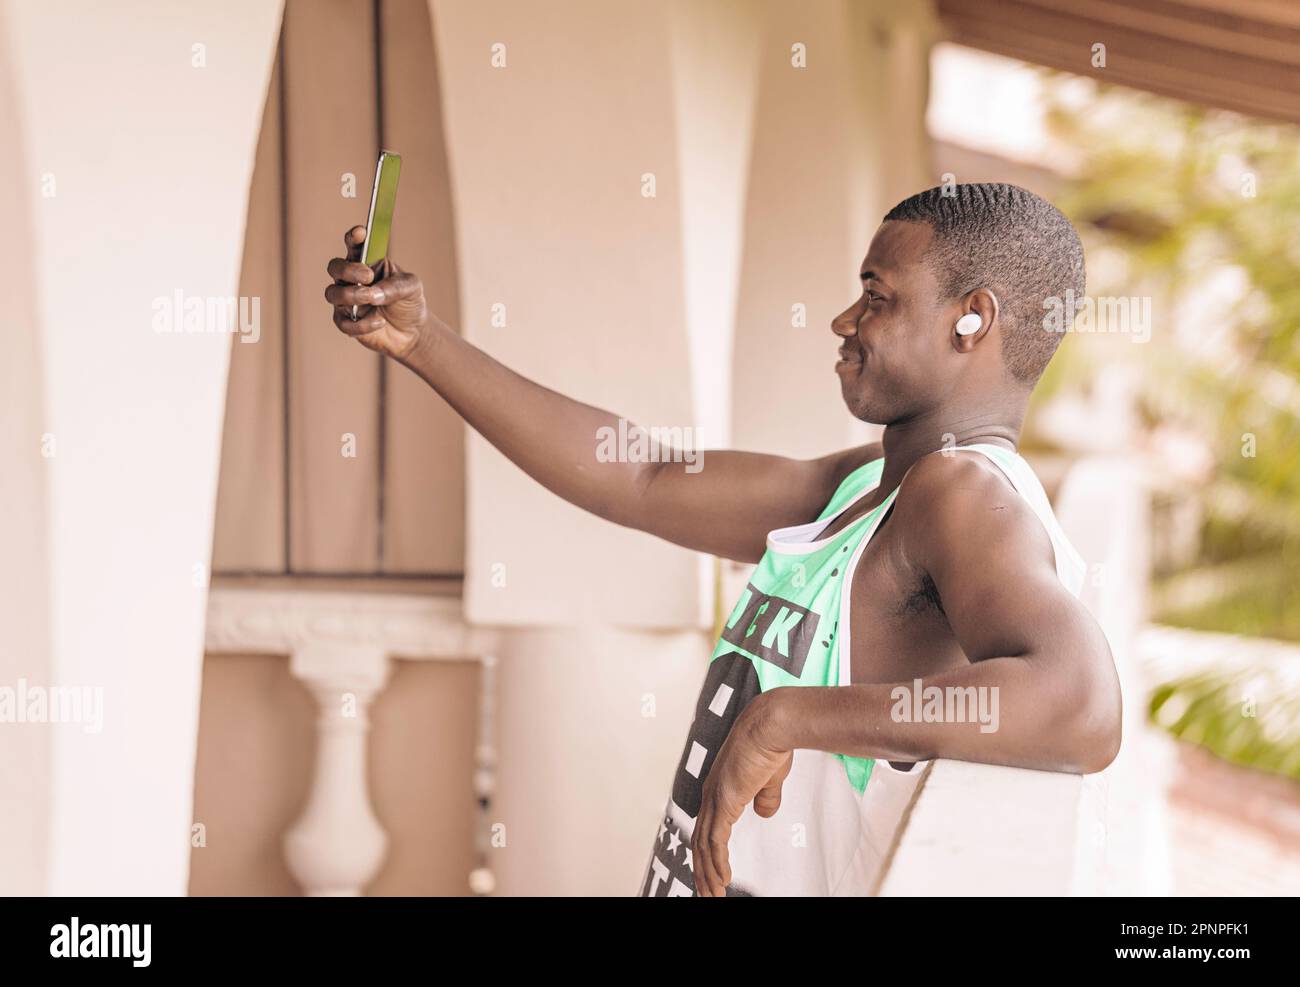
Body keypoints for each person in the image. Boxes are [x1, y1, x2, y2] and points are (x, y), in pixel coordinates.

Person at [325, 182, 1122, 897]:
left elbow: (1079, 703)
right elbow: (639, 476)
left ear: (971, 318)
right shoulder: (873, 482)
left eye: (877, 296)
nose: (846, 321)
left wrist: (787, 717)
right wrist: (421, 340)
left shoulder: (962, 492)